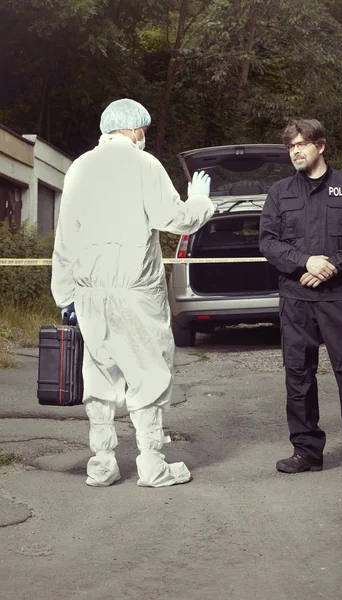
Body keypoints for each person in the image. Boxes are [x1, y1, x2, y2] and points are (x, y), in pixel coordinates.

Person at [51, 98, 215, 487]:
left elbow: (65, 235)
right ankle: (152, 465)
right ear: (137, 129)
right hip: (135, 293)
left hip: (89, 294)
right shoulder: (145, 165)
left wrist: (64, 295)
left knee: (100, 376)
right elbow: (174, 219)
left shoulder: (79, 167)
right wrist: (201, 202)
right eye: (145, 129)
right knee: (148, 374)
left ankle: (103, 465)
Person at [259, 118, 342, 479]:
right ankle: (306, 452)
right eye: (290, 146)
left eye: (301, 144)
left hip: (339, 297)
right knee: (299, 376)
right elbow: (268, 241)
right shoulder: (280, 192)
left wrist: (330, 266)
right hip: (296, 297)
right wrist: (304, 261)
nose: (295, 151)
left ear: (320, 146)